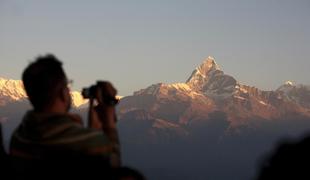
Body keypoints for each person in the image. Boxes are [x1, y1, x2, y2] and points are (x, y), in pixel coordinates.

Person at [9, 54, 121, 178]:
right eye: (67, 85)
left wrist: (88, 132)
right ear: (62, 93)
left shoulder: (18, 137)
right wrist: (109, 124)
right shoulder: (90, 143)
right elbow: (113, 170)